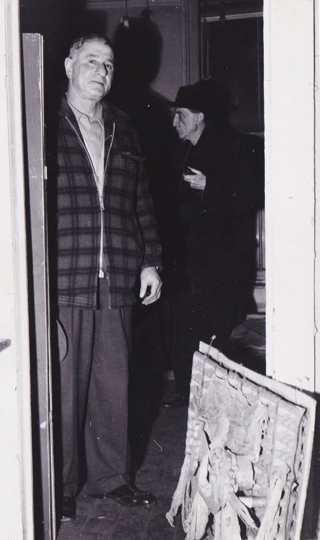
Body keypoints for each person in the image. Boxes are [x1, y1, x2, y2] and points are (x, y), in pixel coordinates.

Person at [49, 33, 162, 522]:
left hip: (117, 270)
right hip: (64, 274)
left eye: (109, 64)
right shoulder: (43, 123)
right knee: (65, 386)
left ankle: (112, 480)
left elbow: (142, 203)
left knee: (113, 383)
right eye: (91, 60)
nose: (101, 71)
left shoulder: (125, 128)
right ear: (69, 64)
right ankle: (63, 484)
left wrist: (150, 259)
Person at [163, 79, 259, 408]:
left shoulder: (229, 147)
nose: (175, 122)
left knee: (212, 333)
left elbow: (248, 198)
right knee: (184, 331)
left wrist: (210, 186)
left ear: (200, 117)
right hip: (184, 264)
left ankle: (212, 403)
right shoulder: (179, 150)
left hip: (217, 267)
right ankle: (186, 397)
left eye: (181, 116)